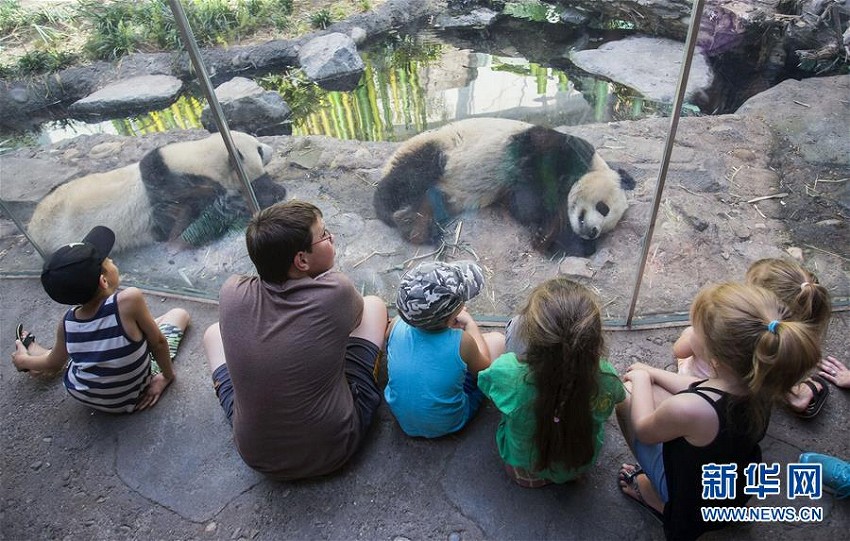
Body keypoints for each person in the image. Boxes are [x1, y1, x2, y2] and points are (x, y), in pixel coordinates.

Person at [617, 282, 821, 540]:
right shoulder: (762, 380)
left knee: (626, 397)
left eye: (695, 330)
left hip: (691, 498)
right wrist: (652, 372)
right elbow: (698, 386)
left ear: (714, 358)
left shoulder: (690, 409)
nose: (690, 332)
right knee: (656, 387)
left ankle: (657, 498)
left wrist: (640, 379)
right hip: (731, 484)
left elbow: (644, 429)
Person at [202, 200, 388, 480]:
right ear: (301, 260)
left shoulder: (231, 291)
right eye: (324, 235)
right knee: (374, 306)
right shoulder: (336, 291)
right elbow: (355, 322)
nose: (331, 238)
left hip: (257, 455)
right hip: (334, 449)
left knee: (213, 334)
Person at [11, 226, 189, 413]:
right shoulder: (129, 300)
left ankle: (33, 360)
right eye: (107, 260)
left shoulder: (67, 322)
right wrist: (166, 376)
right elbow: (158, 343)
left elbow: (55, 363)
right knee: (179, 314)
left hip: (84, 393)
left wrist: (22, 361)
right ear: (103, 281)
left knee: (78, 351)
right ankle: (33, 360)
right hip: (135, 391)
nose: (111, 260)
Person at [477, 278, 626, 487]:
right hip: (576, 466)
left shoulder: (506, 372)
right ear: (594, 340)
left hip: (525, 471)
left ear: (531, 339)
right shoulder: (606, 378)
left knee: (510, 331)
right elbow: (616, 401)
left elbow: (487, 388)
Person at [677, 257, 833, 418]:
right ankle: (793, 395)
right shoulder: (787, 342)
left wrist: (690, 334)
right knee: (770, 371)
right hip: (755, 390)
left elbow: (679, 351)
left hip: (706, 391)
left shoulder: (724, 337)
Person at [384, 261, 505, 438]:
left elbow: (389, 341)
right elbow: (483, 370)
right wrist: (470, 324)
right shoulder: (462, 341)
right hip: (449, 424)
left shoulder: (396, 324)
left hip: (404, 422)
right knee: (497, 342)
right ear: (450, 318)